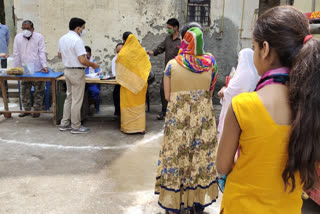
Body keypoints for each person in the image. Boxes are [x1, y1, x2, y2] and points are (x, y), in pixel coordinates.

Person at [216, 6, 320, 214]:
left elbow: (222, 166)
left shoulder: (243, 105)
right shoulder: (311, 107)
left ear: (265, 49)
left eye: (254, 47)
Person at [155, 22, 219, 214]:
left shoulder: (172, 65)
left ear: (184, 40)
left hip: (178, 121)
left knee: (176, 158)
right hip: (203, 121)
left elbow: (167, 96)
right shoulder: (211, 62)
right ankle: (197, 204)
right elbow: (210, 91)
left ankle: (174, 203)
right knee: (200, 158)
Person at [58, 18, 99, 134]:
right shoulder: (77, 40)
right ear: (77, 28)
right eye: (83, 28)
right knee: (77, 100)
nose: (83, 31)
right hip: (77, 71)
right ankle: (76, 126)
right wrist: (93, 65)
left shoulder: (62, 39)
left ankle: (64, 123)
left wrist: (69, 58)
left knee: (69, 98)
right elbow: (82, 60)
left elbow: (59, 55)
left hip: (67, 70)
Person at [217, 48, 259, 140]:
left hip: (236, 113)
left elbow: (231, 93)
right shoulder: (254, 74)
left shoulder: (244, 75)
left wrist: (223, 90)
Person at [116, 32, 151, 134]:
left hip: (127, 85)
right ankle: (140, 128)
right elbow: (147, 66)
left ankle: (128, 128)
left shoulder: (123, 53)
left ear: (124, 40)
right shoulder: (141, 52)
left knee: (127, 106)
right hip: (140, 84)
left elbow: (119, 68)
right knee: (139, 106)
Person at [13, 20, 48, 118]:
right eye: (23, 28)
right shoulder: (18, 38)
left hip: (37, 68)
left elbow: (42, 52)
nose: (25, 30)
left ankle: (37, 110)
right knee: (25, 90)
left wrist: (44, 65)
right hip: (24, 68)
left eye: (28, 28)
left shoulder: (39, 37)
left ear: (33, 29)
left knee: (39, 90)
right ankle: (26, 109)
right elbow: (16, 53)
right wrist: (16, 67)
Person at [147, 18, 180, 120]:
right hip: (167, 71)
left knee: (177, 91)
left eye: (169, 28)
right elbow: (159, 49)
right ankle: (164, 111)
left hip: (179, 71)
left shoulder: (182, 40)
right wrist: (150, 52)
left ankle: (176, 112)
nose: (168, 30)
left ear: (176, 28)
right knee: (163, 90)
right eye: (167, 28)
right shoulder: (167, 39)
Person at [85, 46, 101, 113]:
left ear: (90, 54)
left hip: (92, 83)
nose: (87, 57)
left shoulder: (94, 63)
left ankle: (93, 105)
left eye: (88, 55)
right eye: (85, 56)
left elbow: (99, 72)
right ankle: (85, 108)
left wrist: (98, 73)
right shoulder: (80, 63)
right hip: (83, 83)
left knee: (95, 91)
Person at [111, 43, 123, 116]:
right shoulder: (115, 59)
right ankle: (118, 112)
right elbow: (114, 72)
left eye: (120, 51)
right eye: (117, 52)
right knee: (116, 94)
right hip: (119, 81)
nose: (119, 53)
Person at [0, 22, 9, 101]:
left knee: (4, 76)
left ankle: (5, 95)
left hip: (3, 57)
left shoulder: (5, 28)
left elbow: (7, 40)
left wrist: (4, 52)